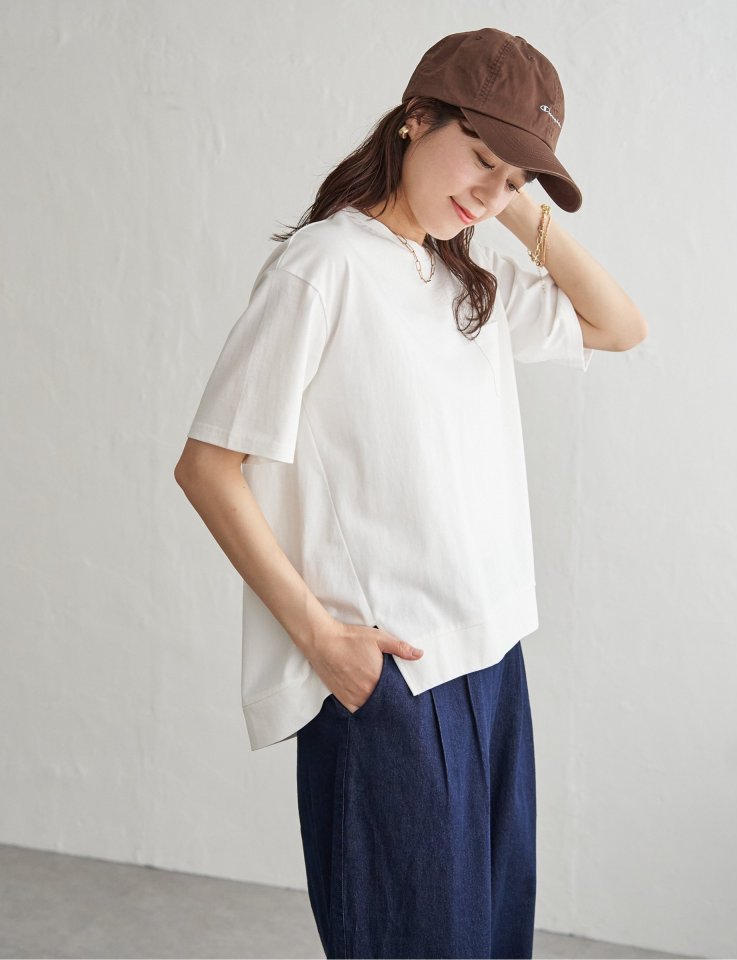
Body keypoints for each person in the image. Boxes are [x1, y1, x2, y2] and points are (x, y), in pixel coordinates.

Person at [174, 26, 646, 960]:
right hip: (393, 680)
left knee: (492, 944)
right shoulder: (324, 266)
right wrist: (322, 640)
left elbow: (619, 325)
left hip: (493, 661)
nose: (489, 191)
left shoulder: (470, 274)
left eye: (514, 178)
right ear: (415, 118)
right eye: (479, 157)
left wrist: (507, 202)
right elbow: (207, 466)